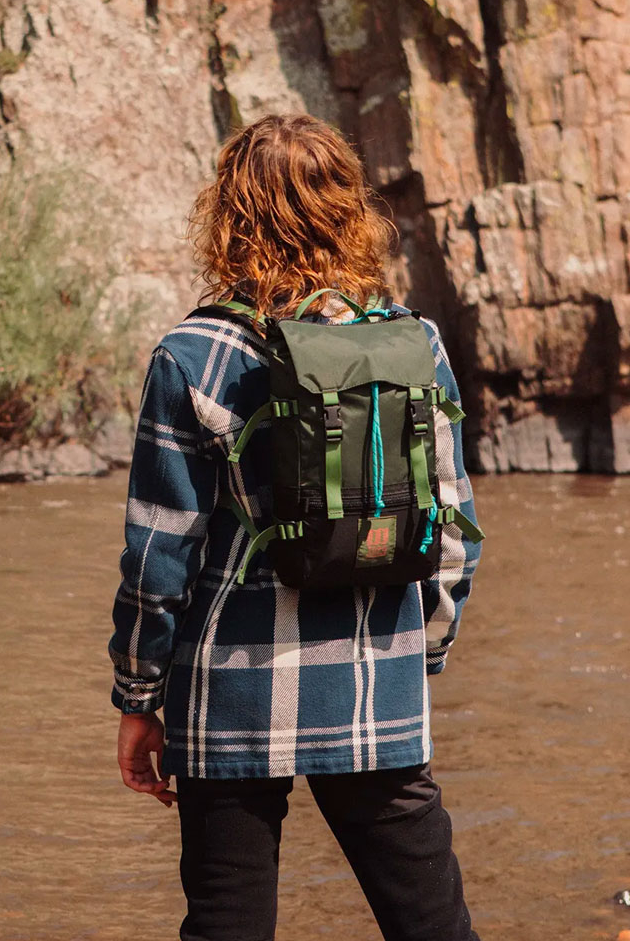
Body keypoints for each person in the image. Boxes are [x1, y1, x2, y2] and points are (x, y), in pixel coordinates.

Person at [109, 114, 483, 941]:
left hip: (229, 691)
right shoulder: (410, 341)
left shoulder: (194, 353)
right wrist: (418, 654)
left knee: (227, 924)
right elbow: (454, 530)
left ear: (229, 217)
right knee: (432, 925)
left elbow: (157, 555)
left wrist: (138, 697)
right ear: (349, 210)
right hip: (373, 680)